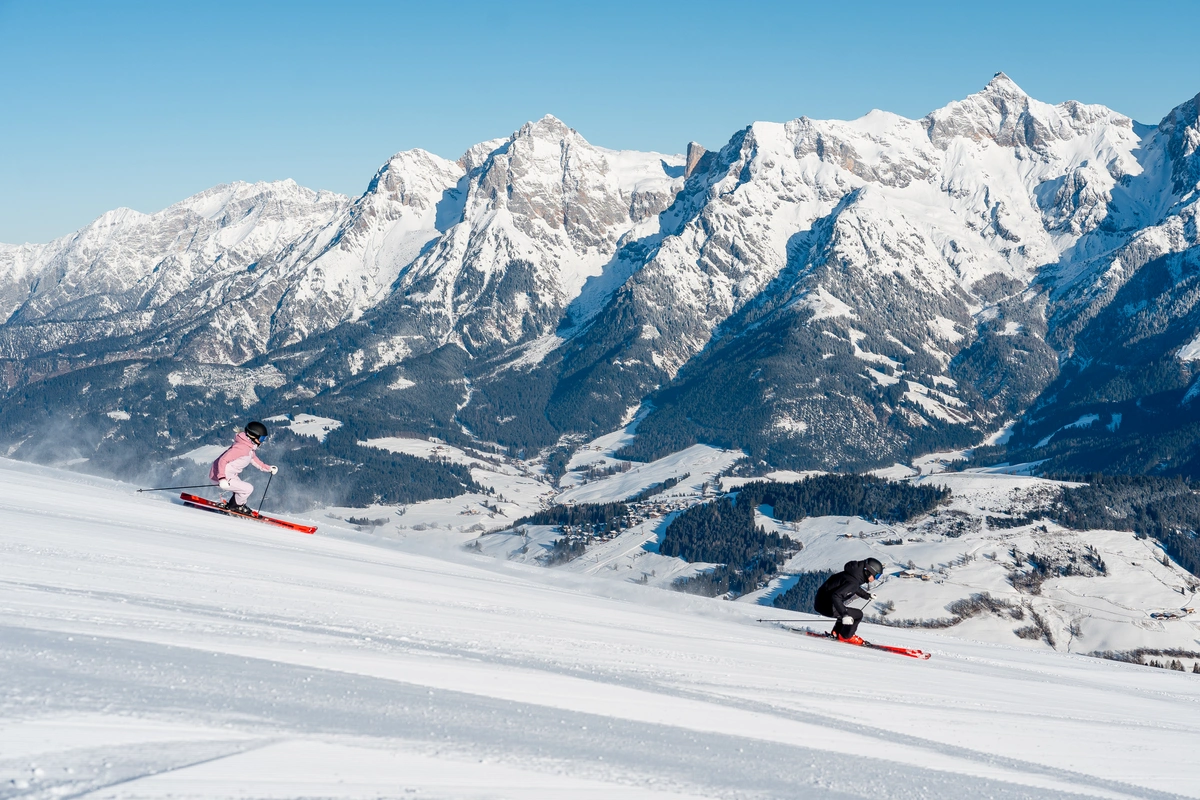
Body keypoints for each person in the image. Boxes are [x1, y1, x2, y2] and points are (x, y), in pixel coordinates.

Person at [210, 421, 278, 515]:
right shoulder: (241, 448)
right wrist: (221, 478)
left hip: (229, 475)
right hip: (220, 476)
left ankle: (236, 505)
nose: (263, 441)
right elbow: (223, 460)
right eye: (262, 438)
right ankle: (235, 507)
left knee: (241, 489)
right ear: (253, 436)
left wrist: (269, 468)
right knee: (248, 488)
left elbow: (255, 461)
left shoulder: (248, 448)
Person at [813, 557, 884, 645]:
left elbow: (854, 588)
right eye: (876, 576)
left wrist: (867, 596)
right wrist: (844, 615)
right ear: (869, 571)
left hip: (821, 601)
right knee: (857, 615)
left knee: (845, 611)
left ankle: (836, 633)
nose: (876, 579)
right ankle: (846, 636)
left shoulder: (853, 574)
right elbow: (836, 596)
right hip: (826, 605)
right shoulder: (854, 581)